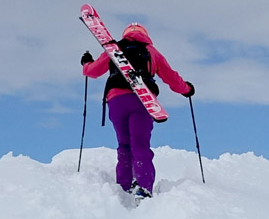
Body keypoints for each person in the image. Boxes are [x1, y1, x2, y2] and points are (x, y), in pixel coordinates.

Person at [80, 23, 194, 198]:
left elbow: (93, 71)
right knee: (140, 145)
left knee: (124, 145)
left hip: (116, 100)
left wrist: (86, 62)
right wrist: (186, 89)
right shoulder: (152, 52)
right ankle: (144, 187)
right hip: (142, 101)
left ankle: (123, 188)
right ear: (145, 35)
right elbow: (171, 77)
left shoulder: (114, 49)